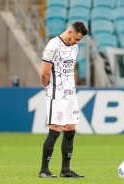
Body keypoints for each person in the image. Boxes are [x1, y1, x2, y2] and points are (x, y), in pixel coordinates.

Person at [38, 21, 88, 178]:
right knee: (55, 128)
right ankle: (44, 170)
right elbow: (44, 73)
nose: (77, 42)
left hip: (70, 92)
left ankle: (65, 170)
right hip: (56, 92)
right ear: (70, 32)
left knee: (70, 129)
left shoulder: (74, 47)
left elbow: (70, 68)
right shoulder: (53, 45)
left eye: (80, 40)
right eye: (77, 39)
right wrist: (48, 87)